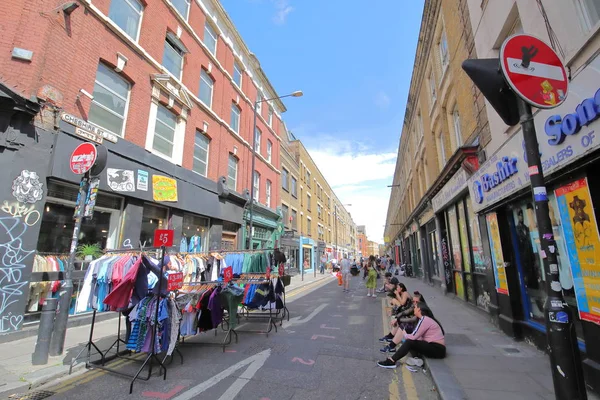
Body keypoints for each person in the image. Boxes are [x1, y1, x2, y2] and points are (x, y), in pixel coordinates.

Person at [377, 302, 446, 369]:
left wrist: (404, 334)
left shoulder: (425, 320)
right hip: (434, 347)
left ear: (419, 309)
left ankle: (391, 361)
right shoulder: (424, 319)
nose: (414, 309)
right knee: (410, 337)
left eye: (415, 308)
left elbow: (414, 336)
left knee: (410, 341)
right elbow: (417, 335)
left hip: (437, 349)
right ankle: (415, 358)